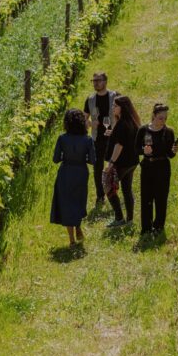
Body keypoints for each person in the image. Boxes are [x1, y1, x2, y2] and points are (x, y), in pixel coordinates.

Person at [50, 109, 96, 246]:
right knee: (78, 201)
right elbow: (93, 160)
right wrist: (81, 158)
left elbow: (55, 159)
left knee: (66, 203)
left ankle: (71, 240)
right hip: (81, 172)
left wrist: (67, 156)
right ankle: (78, 226)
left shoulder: (62, 138)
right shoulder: (88, 140)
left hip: (65, 173)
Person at [136, 103, 178, 235]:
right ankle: (146, 228)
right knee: (146, 197)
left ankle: (159, 226)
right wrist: (144, 150)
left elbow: (170, 155)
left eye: (165, 118)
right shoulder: (143, 130)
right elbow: (135, 149)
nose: (163, 121)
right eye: (161, 118)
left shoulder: (168, 132)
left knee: (161, 198)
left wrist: (174, 151)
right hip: (148, 166)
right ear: (153, 116)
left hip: (162, 167)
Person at [103, 94, 140, 227]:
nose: (113, 107)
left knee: (108, 186)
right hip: (132, 162)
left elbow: (119, 146)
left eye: (115, 105)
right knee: (127, 189)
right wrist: (113, 133)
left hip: (122, 163)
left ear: (122, 108)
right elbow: (125, 138)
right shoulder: (132, 121)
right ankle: (129, 220)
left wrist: (111, 163)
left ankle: (119, 218)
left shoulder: (122, 124)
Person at [83, 72, 116, 206]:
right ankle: (100, 196)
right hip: (97, 139)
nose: (96, 83)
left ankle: (114, 194)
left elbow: (123, 115)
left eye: (98, 80)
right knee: (97, 168)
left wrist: (115, 129)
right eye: (94, 80)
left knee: (114, 167)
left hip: (113, 138)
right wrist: (91, 123)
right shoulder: (90, 99)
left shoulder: (115, 96)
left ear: (105, 81)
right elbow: (84, 119)